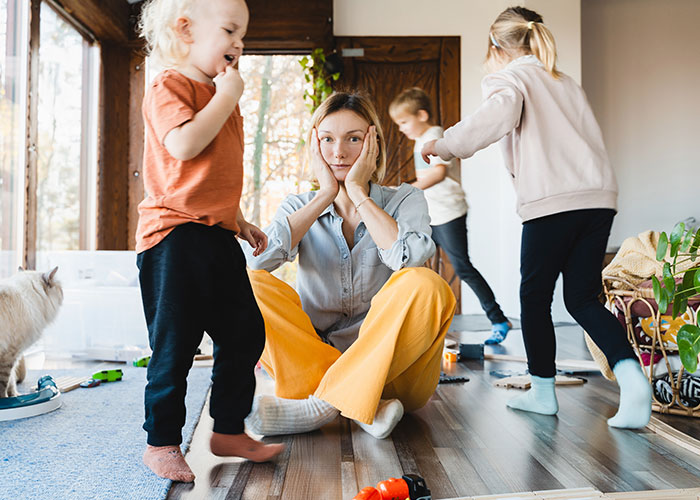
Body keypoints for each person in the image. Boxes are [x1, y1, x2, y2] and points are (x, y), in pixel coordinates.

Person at [421, 6, 651, 429]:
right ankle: (633, 380)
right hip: (598, 198)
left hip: (553, 202)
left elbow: (494, 118)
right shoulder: (564, 82)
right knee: (582, 297)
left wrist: (443, 142)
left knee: (534, 298)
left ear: (497, 47)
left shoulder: (511, 78)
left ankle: (543, 393)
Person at [241, 92, 457, 440]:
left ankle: (323, 406)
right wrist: (324, 196)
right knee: (247, 283)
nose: (338, 152)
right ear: (314, 145)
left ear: (373, 145)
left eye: (353, 139)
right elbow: (257, 261)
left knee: (427, 284)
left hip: (393, 372)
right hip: (310, 366)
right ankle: (365, 405)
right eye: (327, 139)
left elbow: (410, 260)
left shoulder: (406, 199)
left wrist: (358, 192)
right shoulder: (298, 205)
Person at [136, 0, 284, 482]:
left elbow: (207, 173)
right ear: (185, 30)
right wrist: (226, 96)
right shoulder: (170, 85)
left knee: (245, 332)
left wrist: (238, 219)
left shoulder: (220, 92)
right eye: (229, 30)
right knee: (175, 344)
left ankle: (228, 428)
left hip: (215, 233)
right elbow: (182, 146)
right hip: (173, 236)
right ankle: (161, 442)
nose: (238, 43)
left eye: (242, 33)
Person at [390, 87, 511, 344]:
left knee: (462, 267)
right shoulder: (419, 140)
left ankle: (498, 318)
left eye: (403, 122)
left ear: (421, 115)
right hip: (430, 215)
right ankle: (415, 324)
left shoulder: (434, 135)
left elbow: (438, 174)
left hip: (448, 213)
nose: (401, 128)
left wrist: (402, 191)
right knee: (412, 264)